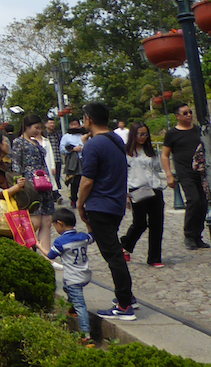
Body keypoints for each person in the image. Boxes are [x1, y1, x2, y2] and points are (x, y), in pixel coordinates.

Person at [79, 101, 136, 321]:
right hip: (116, 204)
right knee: (114, 252)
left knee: (112, 255)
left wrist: (79, 204)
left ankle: (124, 304)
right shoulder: (116, 140)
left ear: (88, 119)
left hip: (99, 204)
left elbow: (87, 181)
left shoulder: (94, 145)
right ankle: (127, 297)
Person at [43, 207, 95, 344]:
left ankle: (86, 336)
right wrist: (88, 222)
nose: (55, 228)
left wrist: (38, 245)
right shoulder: (82, 237)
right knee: (67, 287)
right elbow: (92, 236)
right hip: (85, 275)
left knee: (81, 306)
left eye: (55, 226)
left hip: (73, 278)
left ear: (60, 223)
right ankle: (72, 306)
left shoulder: (61, 242)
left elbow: (50, 255)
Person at [164, 103, 211, 249]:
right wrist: (169, 175)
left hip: (201, 172)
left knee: (203, 203)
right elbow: (165, 155)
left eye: (190, 112)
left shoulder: (198, 130)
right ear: (177, 116)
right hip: (185, 172)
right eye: (185, 113)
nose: (189, 115)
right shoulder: (172, 134)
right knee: (194, 200)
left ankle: (198, 235)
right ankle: (189, 234)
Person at [10, 116, 57, 255]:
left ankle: (47, 255)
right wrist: (19, 183)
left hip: (44, 182)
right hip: (31, 185)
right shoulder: (19, 142)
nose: (38, 130)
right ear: (26, 127)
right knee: (34, 221)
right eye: (35, 127)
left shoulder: (37, 141)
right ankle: (26, 251)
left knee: (47, 221)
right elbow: (16, 164)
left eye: (39, 127)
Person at [123, 122, 166, 268]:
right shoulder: (126, 152)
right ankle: (125, 245)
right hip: (137, 189)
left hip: (155, 188)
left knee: (157, 224)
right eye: (140, 134)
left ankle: (154, 257)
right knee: (140, 223)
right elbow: (123, 174)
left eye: (145, 134)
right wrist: (126, 194)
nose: (143, 137)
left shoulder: (151, 151)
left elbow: (156, 168)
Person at [60, 118, 87, 209]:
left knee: (85, 180)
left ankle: (86, 199)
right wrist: (73, 149)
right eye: (72, 125)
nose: (74, 127)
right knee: (74, 182)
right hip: (73, 160)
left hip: (84, 159)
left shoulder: (84, 135)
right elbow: (62, 148)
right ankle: (73, 199)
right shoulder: (66, 136)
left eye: (76, 124)